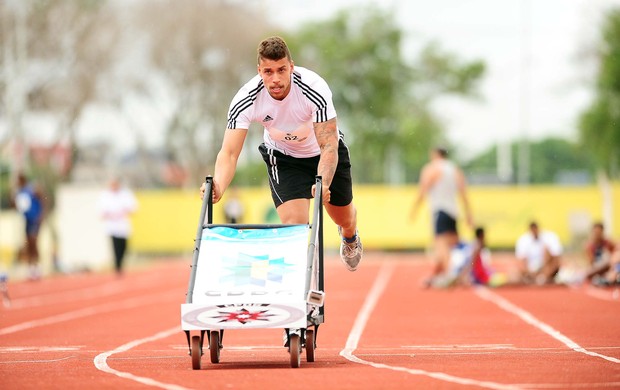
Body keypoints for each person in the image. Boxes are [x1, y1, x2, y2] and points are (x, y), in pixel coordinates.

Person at [199, 36, 362, 271]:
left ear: (291, 67)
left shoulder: (313, 88)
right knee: (294, 228)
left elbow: (328, 145)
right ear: (259, 71)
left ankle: (350, 236)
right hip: (284, 159)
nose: (275, 79)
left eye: (281, 70)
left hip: (323, 153)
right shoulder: (246, 99)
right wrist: (220, 186)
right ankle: (300, 285)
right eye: (268, 72)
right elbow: (230, 153)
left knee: (343, 218)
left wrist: (324, 182)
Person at [410, 147, 473, 286]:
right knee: (451, 244)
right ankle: (438, 274)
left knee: (441, 245)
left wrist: (414, 209)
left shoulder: (432, 169)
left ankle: (451, 274)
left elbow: (423, 189)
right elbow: (463, 193)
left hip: (440, 210)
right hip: (453, 212)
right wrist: (469, 214)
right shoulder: (454, 169)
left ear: (434, 155)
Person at [99, 177, 138, 276]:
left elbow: (133, 208)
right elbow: (101, 212)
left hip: (123, 226)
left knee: (124, 247)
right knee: (115, 247)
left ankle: (120, 264)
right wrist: (110, 215)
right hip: (112, 227)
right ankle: (117, 267)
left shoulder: (125, 194)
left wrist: (124, 211)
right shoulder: (105, 196)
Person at [13, 173, 45, 280]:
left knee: (34, 242)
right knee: (28, 244)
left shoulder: (31, 189)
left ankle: (37, 267)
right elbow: (17, 206)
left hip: (34, 220)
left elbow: (42, 198)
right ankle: (30, 268)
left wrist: (41, 215)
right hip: (27, 220)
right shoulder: (19, 192)